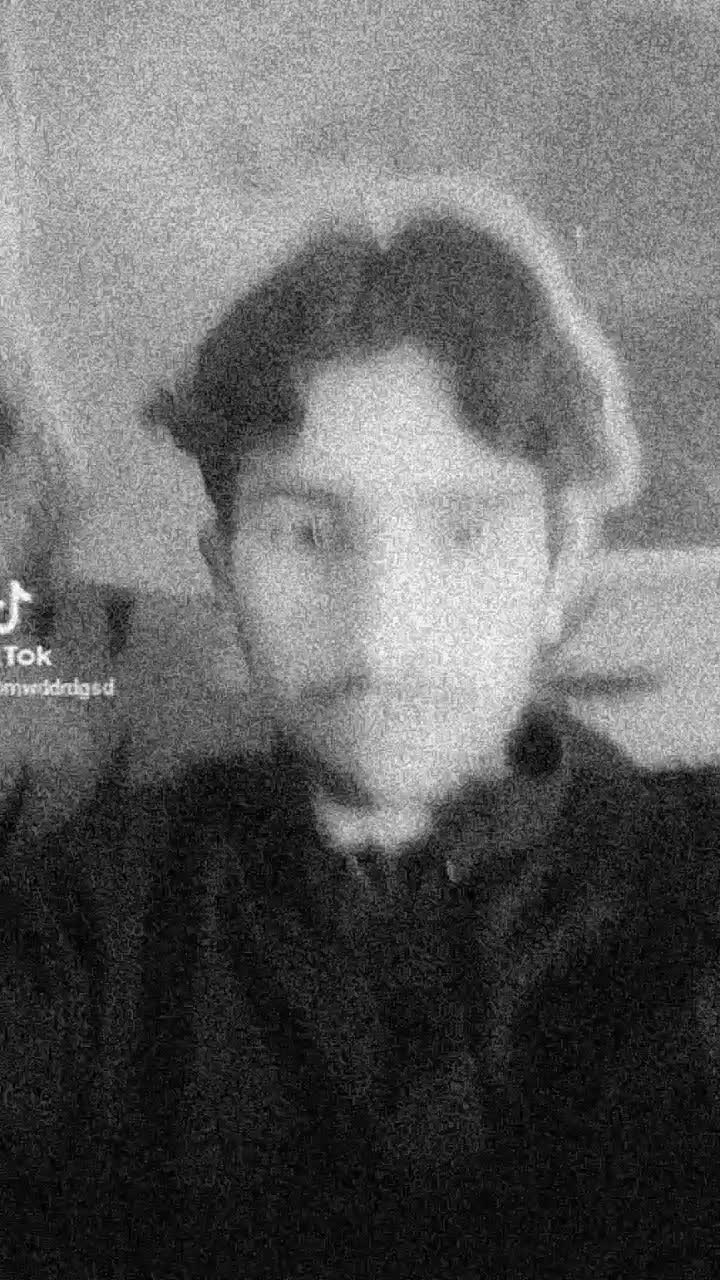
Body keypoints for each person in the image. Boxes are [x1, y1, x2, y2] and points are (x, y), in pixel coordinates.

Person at [2, 166, 720, 1279]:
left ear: (560, 565)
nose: (382, 627)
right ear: (224, 574)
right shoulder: (84, 926)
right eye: (304, 531)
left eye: (464, 530)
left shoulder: (692, 890)